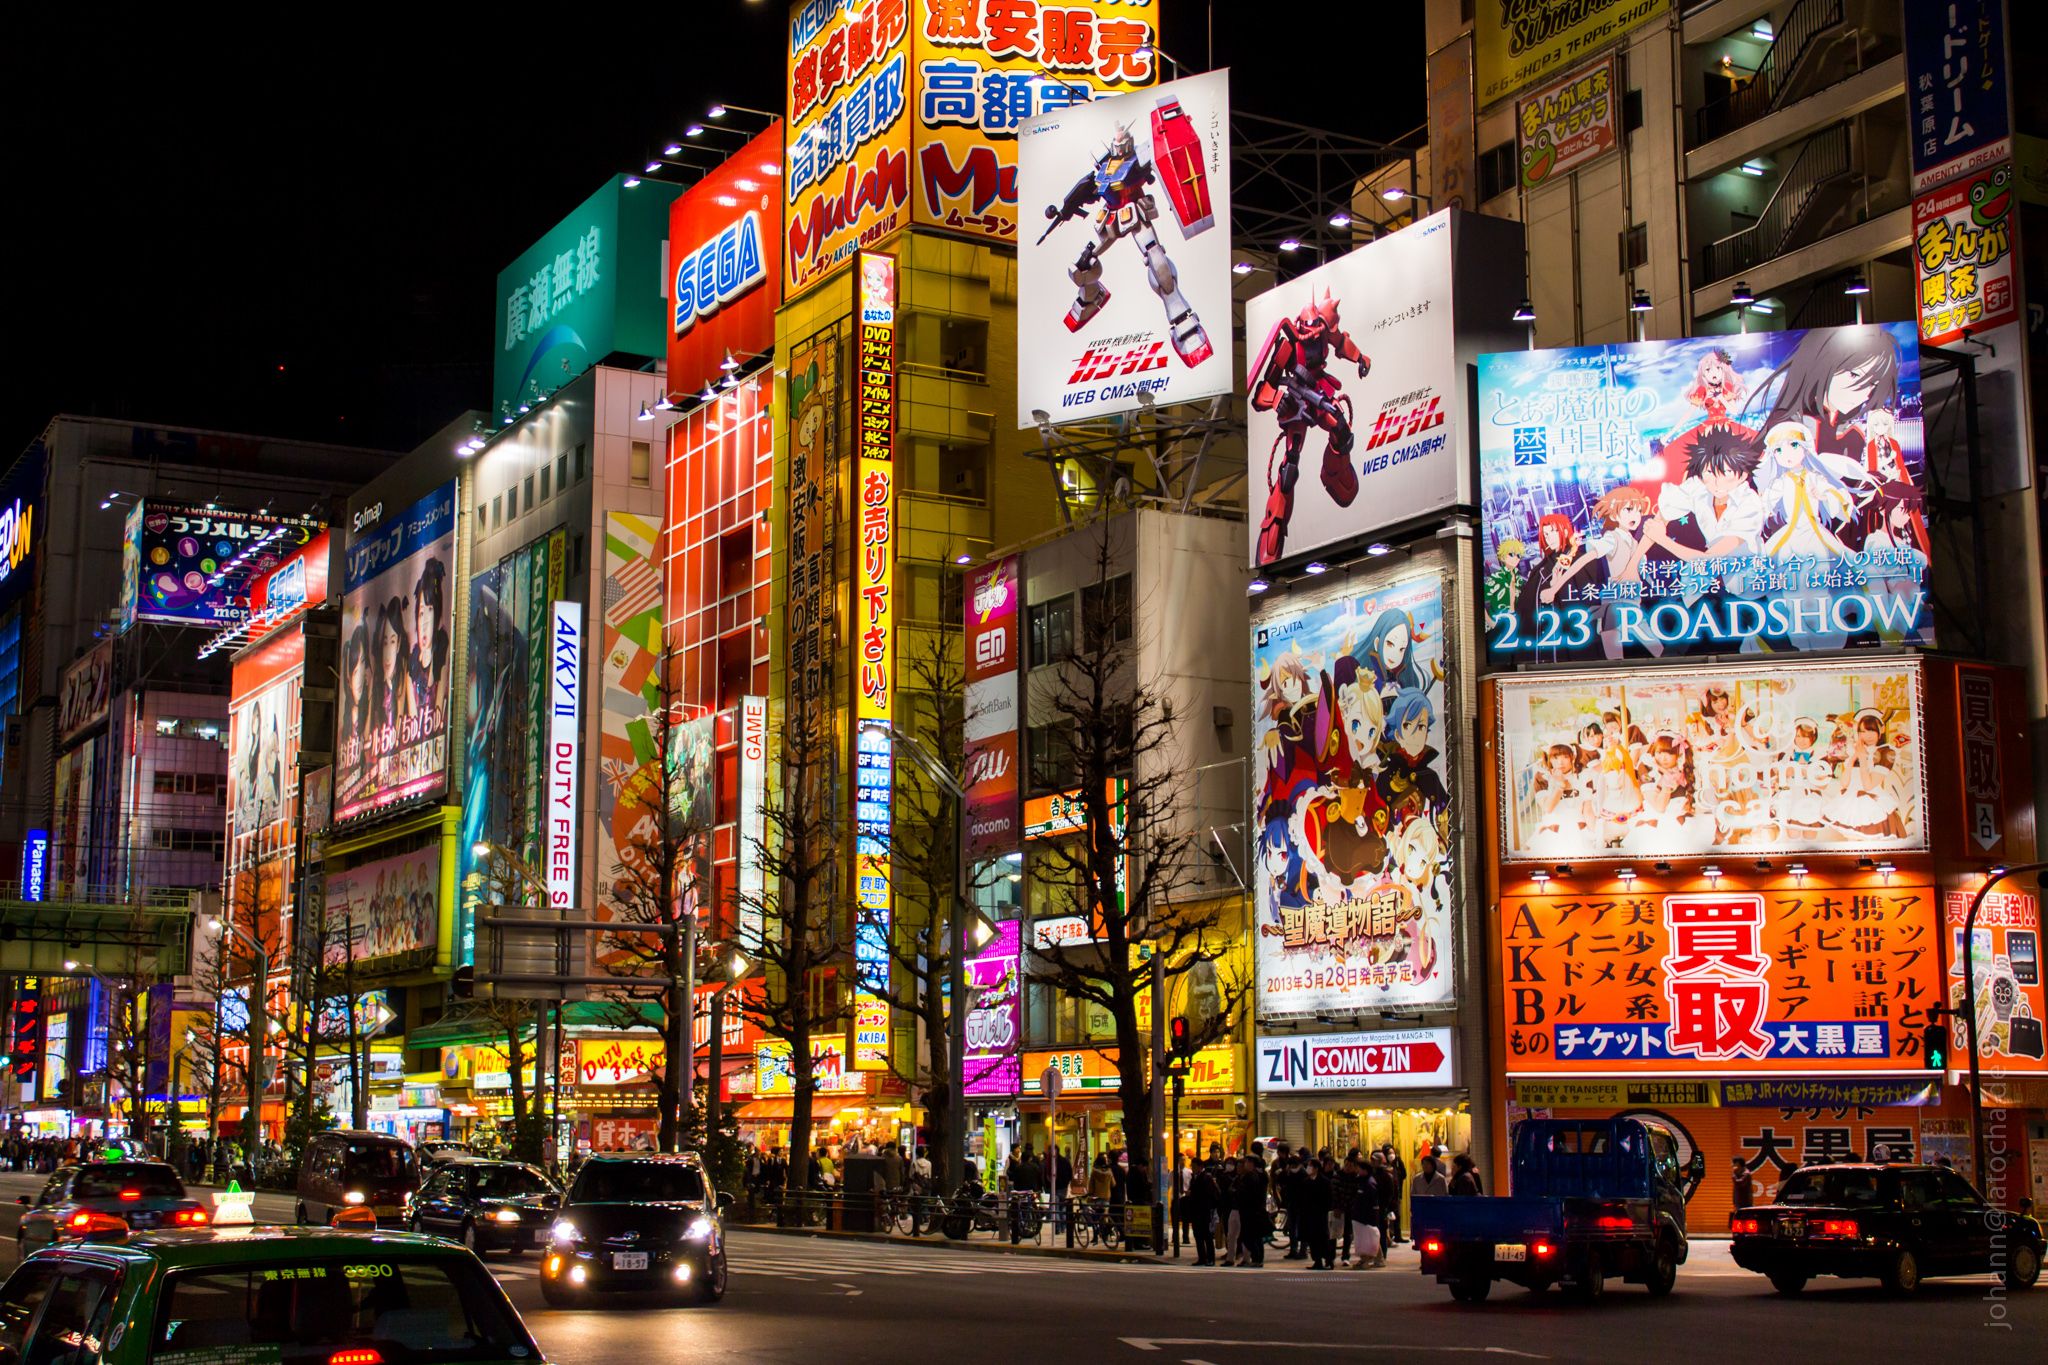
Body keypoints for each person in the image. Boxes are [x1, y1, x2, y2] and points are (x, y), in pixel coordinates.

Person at [1295, 1157, 1335, 1269]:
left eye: (1310, 1166)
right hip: (1308, 1214)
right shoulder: (1306, 1182)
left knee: (1322, 1237)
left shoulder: (1324, 1181)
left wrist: (1325, 1209)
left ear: (1316, 1168)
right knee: (1312, 1239)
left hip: (1321, 1214)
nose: (1308, 1168)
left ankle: (1328, 1259)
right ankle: (1317, 1260)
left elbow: (1329, 1198)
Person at [1347, 1157, 1386, 1268]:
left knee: (1368, 1238)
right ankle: (1377, 1259)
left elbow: (1372, 1202)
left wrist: (1372, 1216)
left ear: (1365, 1169)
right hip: (1359, 1215)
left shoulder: (1369, 1183)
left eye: (1358, 1168)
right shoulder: (1360, 1181)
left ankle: (1366, 1259)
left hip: (1366, 1216)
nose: (1356, 1170)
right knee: (1369, 1238)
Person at [1234, 1155, 1268, 1267]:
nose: (1245, 1164)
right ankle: (1257, 1259)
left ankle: (1257, 1258)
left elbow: (1248, 1194)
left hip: (1251, 1210)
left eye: (1247, 1162)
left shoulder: (1252, 1176)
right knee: (1254, 1236)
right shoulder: (1256, 1175)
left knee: (1249, 1236)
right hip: (1251, 1210)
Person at [1185, 1157, 1220, 1265]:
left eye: (1194, 1166)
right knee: (1198, 1235)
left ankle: (1210, 1258)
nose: (1193, 1168)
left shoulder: (1205, 1178)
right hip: (1197, 1210)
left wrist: (1193, 1194)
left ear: (1200, 1167)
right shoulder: (1195, 1177)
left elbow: (1207, 1194)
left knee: (1206, 1236)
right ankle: (1202, 1258)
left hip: (1204, 1210)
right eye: (1192, 1166)